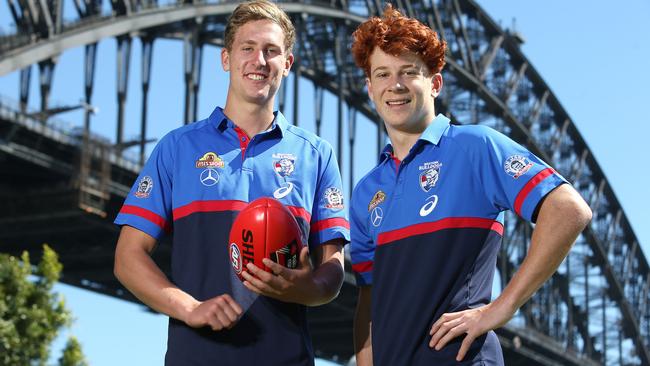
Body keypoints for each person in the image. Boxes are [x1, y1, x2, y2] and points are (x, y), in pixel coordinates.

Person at [349, 5, 592, 366]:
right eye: (382, 74)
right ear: (370, 88)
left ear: (435, 82)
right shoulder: (367, 191)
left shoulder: (475, 147)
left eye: (408, 72)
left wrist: (501, 308)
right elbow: (369, 296)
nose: (395, 85)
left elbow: (569, 209)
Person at [113, 1, 349, 364]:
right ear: (226, 59)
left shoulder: (316, 154)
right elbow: (127, 258)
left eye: (271, 51)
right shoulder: (178, 148)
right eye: (248, 48)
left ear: (286, 64)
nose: (259, 61)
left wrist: (309, 288)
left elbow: (333, 268)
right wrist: (190, 307)